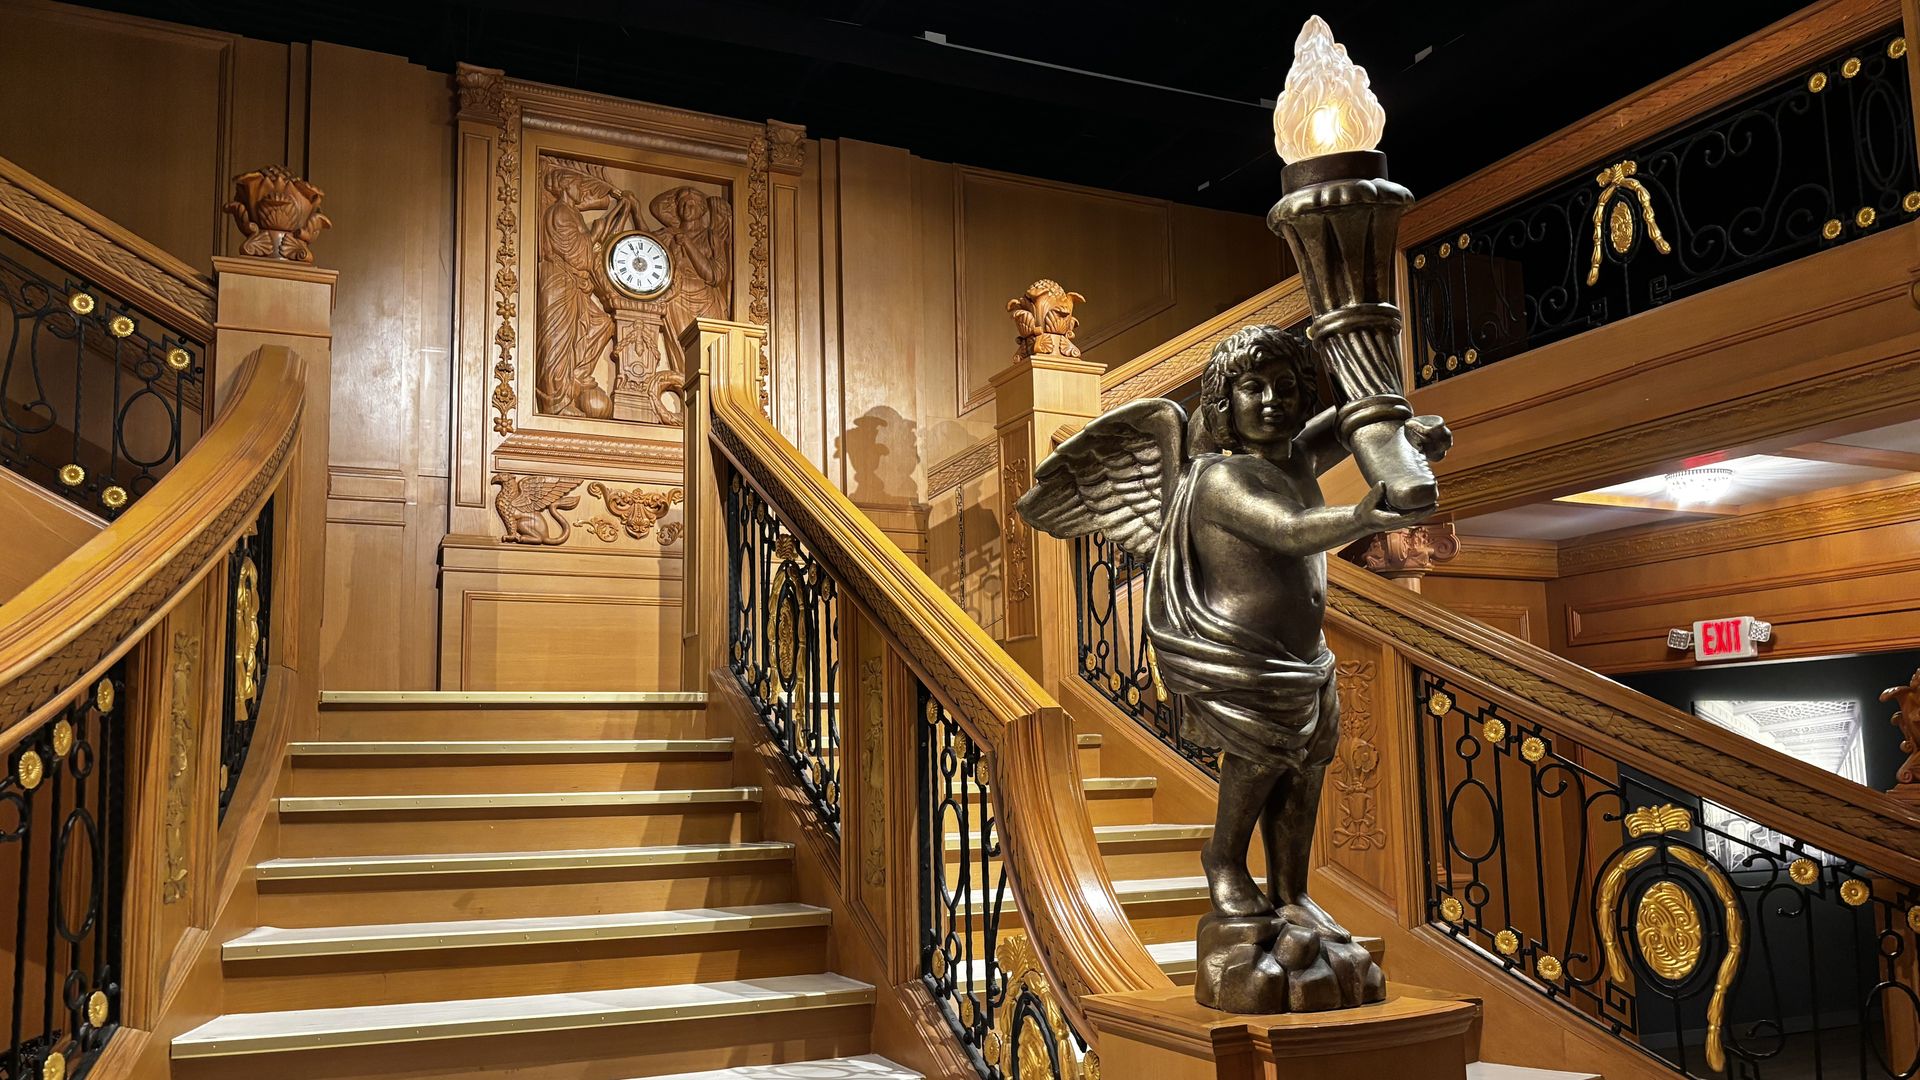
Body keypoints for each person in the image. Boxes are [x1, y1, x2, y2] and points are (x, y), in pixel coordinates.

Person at [1147, 324, 1450, 938]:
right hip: (1246, 654)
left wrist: (1407, 436)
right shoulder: (1217, 479)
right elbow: (1290, 530)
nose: (1271, 401)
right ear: (1223, 403)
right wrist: (1362, 515)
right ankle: (1225, 859)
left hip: (1307, 654)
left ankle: (1292, 890)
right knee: (1258, 761)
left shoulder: (1297, 456)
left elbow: (1349, 422)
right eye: (1252, 388)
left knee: (1308, 766)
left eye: (1286, 387)